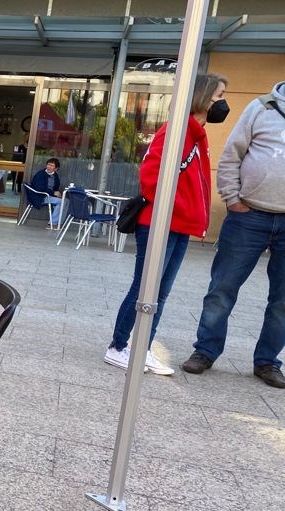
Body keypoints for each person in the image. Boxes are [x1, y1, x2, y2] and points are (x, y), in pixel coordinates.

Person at [104, 73, 229, 376]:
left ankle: (141, 348)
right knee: (145, 287)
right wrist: (175, 209)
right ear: (202, 97)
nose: (222, 102)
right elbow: (151, 177)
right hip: (161, 224)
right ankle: (119, 347)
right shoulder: (177, 132)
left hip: (178, 225)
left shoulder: (195, 134)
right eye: (218, 96)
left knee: (159, 292)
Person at [181, 81, 285, 388]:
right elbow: (231, 155)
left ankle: (267, 362)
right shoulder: (261, 108)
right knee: (222, 288)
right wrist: (232, 198)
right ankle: (205, 350)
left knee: (283, 300)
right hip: (249, 216)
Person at [28, 157, 63, 227]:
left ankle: (59, 221)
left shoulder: (55, 175)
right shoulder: (40, 174)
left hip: (49, 196)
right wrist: (53, 193)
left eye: (52, 165)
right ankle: (54, 222)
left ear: (56, 169)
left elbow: (56, 187)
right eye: (48, 164)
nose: (49, 167)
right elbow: (39, 188)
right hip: (40, 197)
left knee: (65, 200)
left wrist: (57, 193)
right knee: (61, 202)